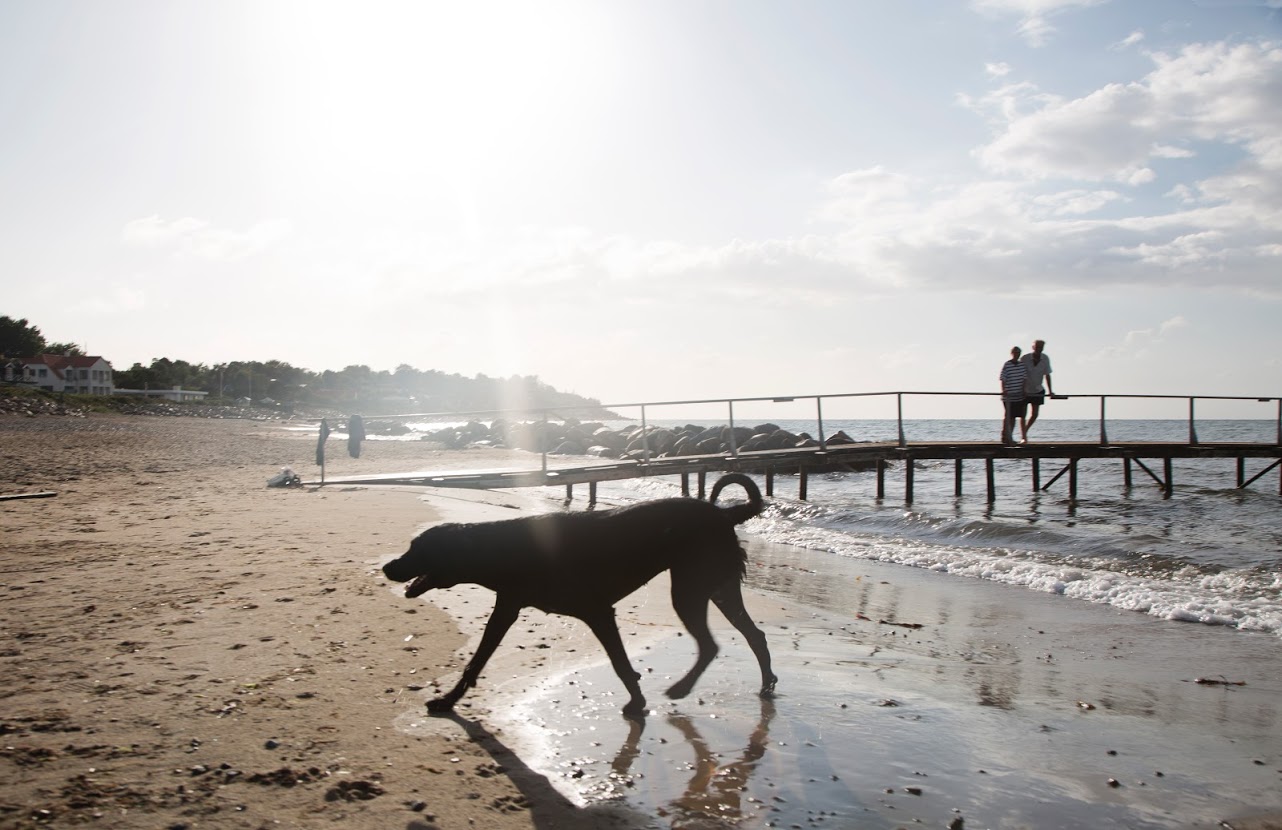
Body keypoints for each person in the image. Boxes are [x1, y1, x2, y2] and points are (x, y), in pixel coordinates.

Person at [1019, 339, 1054, 443]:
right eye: (1037, 347)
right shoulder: (1025, 358)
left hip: (1038, 389)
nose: (1039, 349)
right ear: (1033, 347)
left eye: (1041, 347)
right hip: (1025, 390)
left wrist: (1050, 391)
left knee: (1035, 414)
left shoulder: (1045, 358)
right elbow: (1020, 373)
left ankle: (1025, 431)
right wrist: (1021, 388)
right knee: (1023, 414)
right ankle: (1024, 437)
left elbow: (1047, 374)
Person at [999, 346, 1028, 446]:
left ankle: (1010, 437)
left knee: (1017, 417)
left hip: (1019, 396)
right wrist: (1004, 390)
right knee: (1009, 417)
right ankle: (1006, 437)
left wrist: (1024, 390)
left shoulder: (1022, 365)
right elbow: (1003, 378)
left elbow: (1024, 379)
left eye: (1018, 352)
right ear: (1012, 353)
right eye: (1015, 352)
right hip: (1009, 396)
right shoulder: (1007, 365)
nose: (1017, 354)